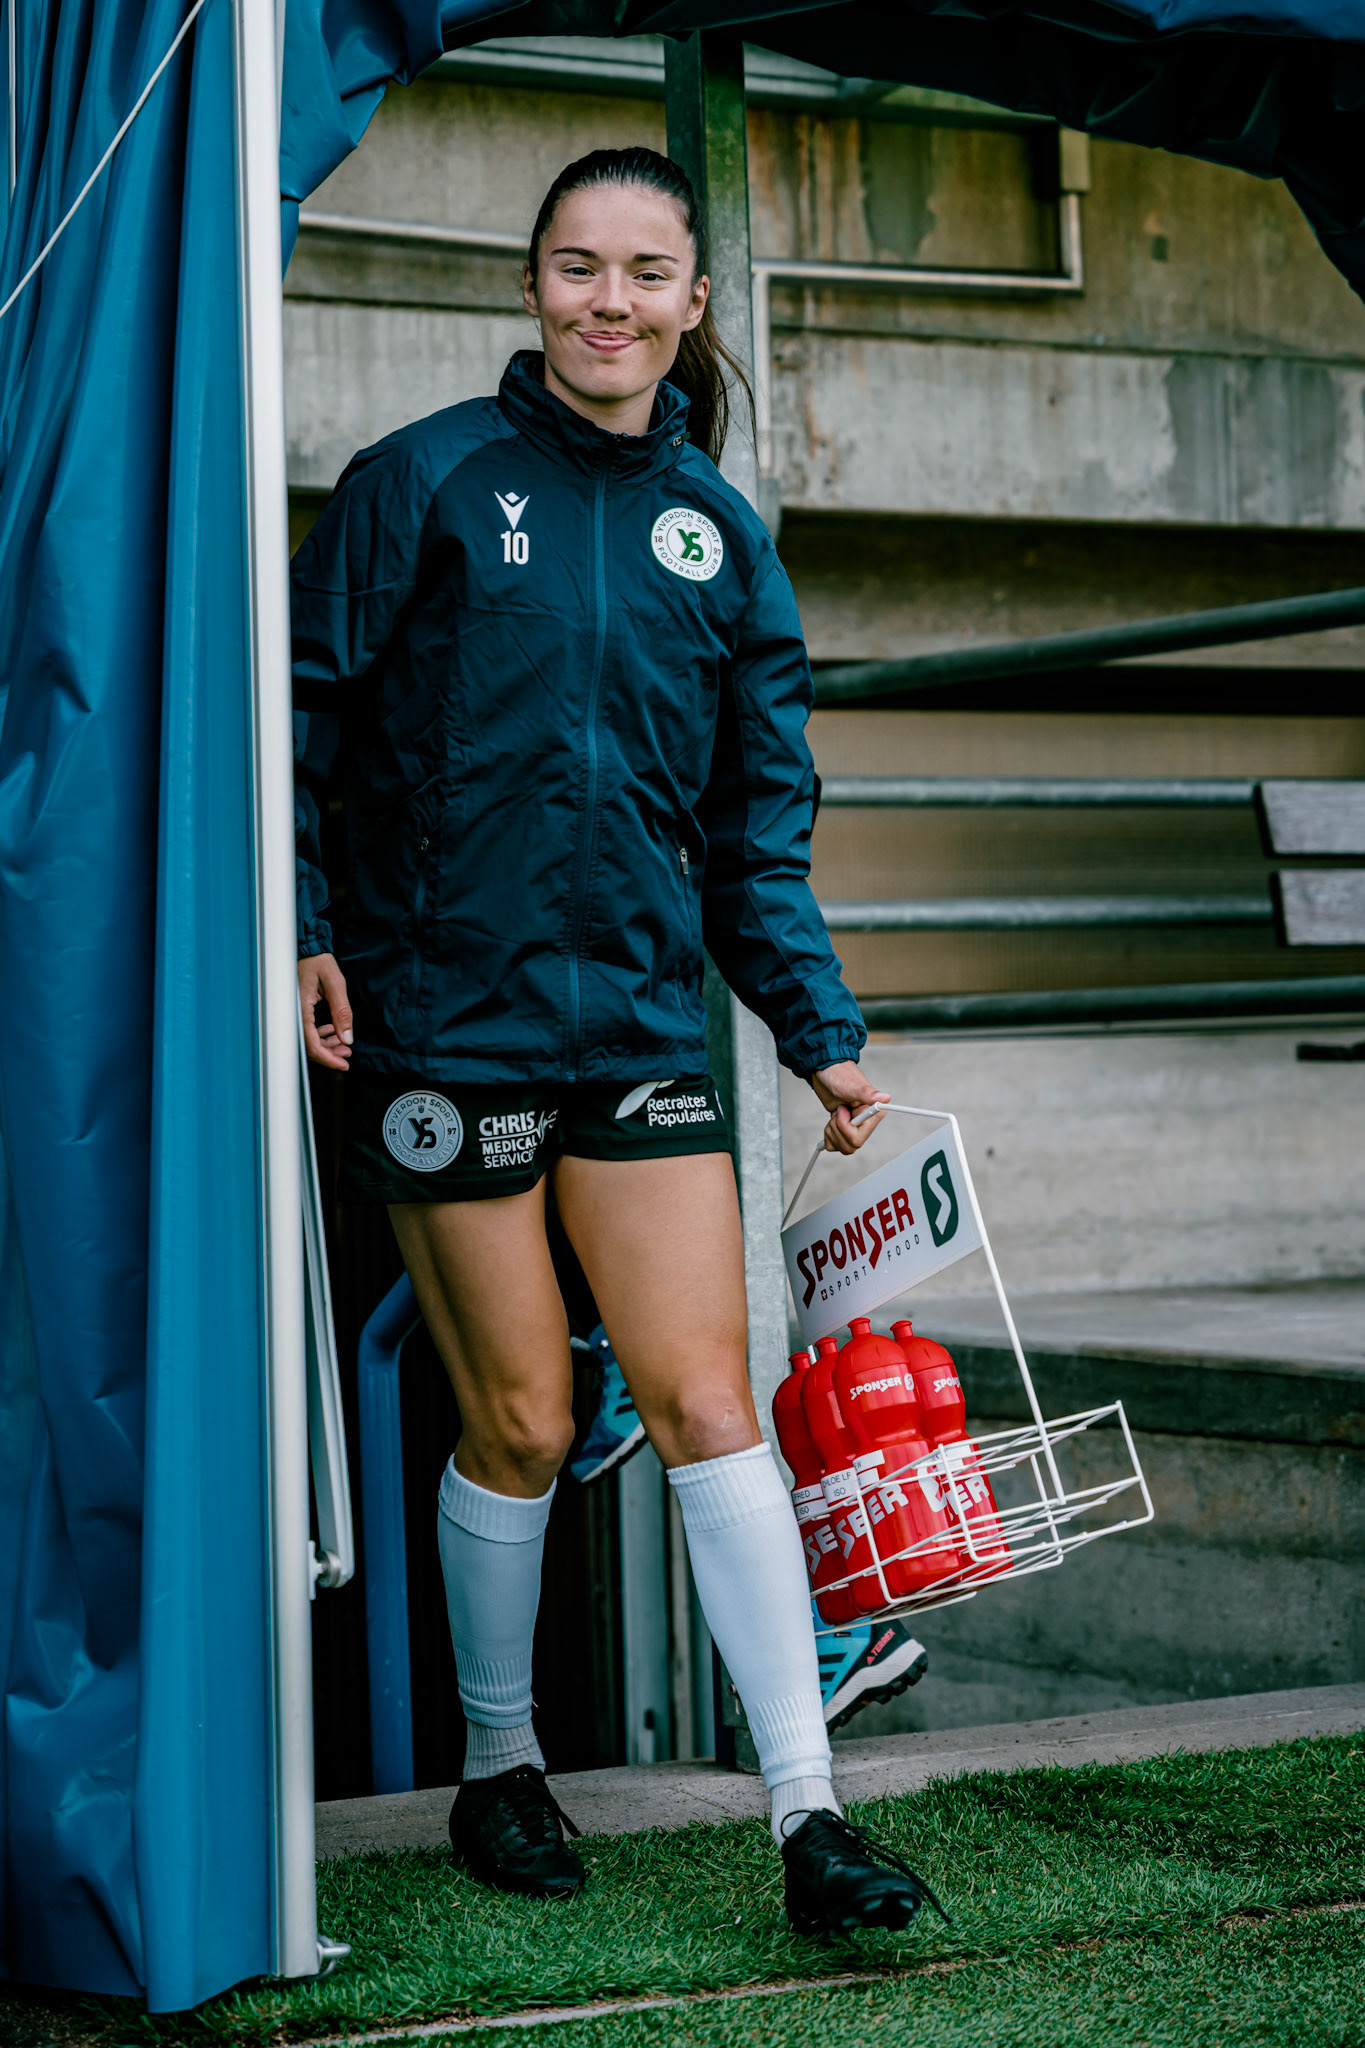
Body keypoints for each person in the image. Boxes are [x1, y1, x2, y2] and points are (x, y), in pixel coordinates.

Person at [293, 145, 946, 1935]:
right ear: (530, 288)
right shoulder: (423, 481)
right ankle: (499, 1766)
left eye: (645, 272)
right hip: (443, 1031)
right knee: (518, 1417)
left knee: (708, 1404)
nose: (610, 302)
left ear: (692, 302)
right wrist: (304, 931)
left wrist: (819, 1035)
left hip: (645, 1031)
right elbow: (300, 724)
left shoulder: (722, 539)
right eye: (577, 268)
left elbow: (753, 829)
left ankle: (807, 1810)